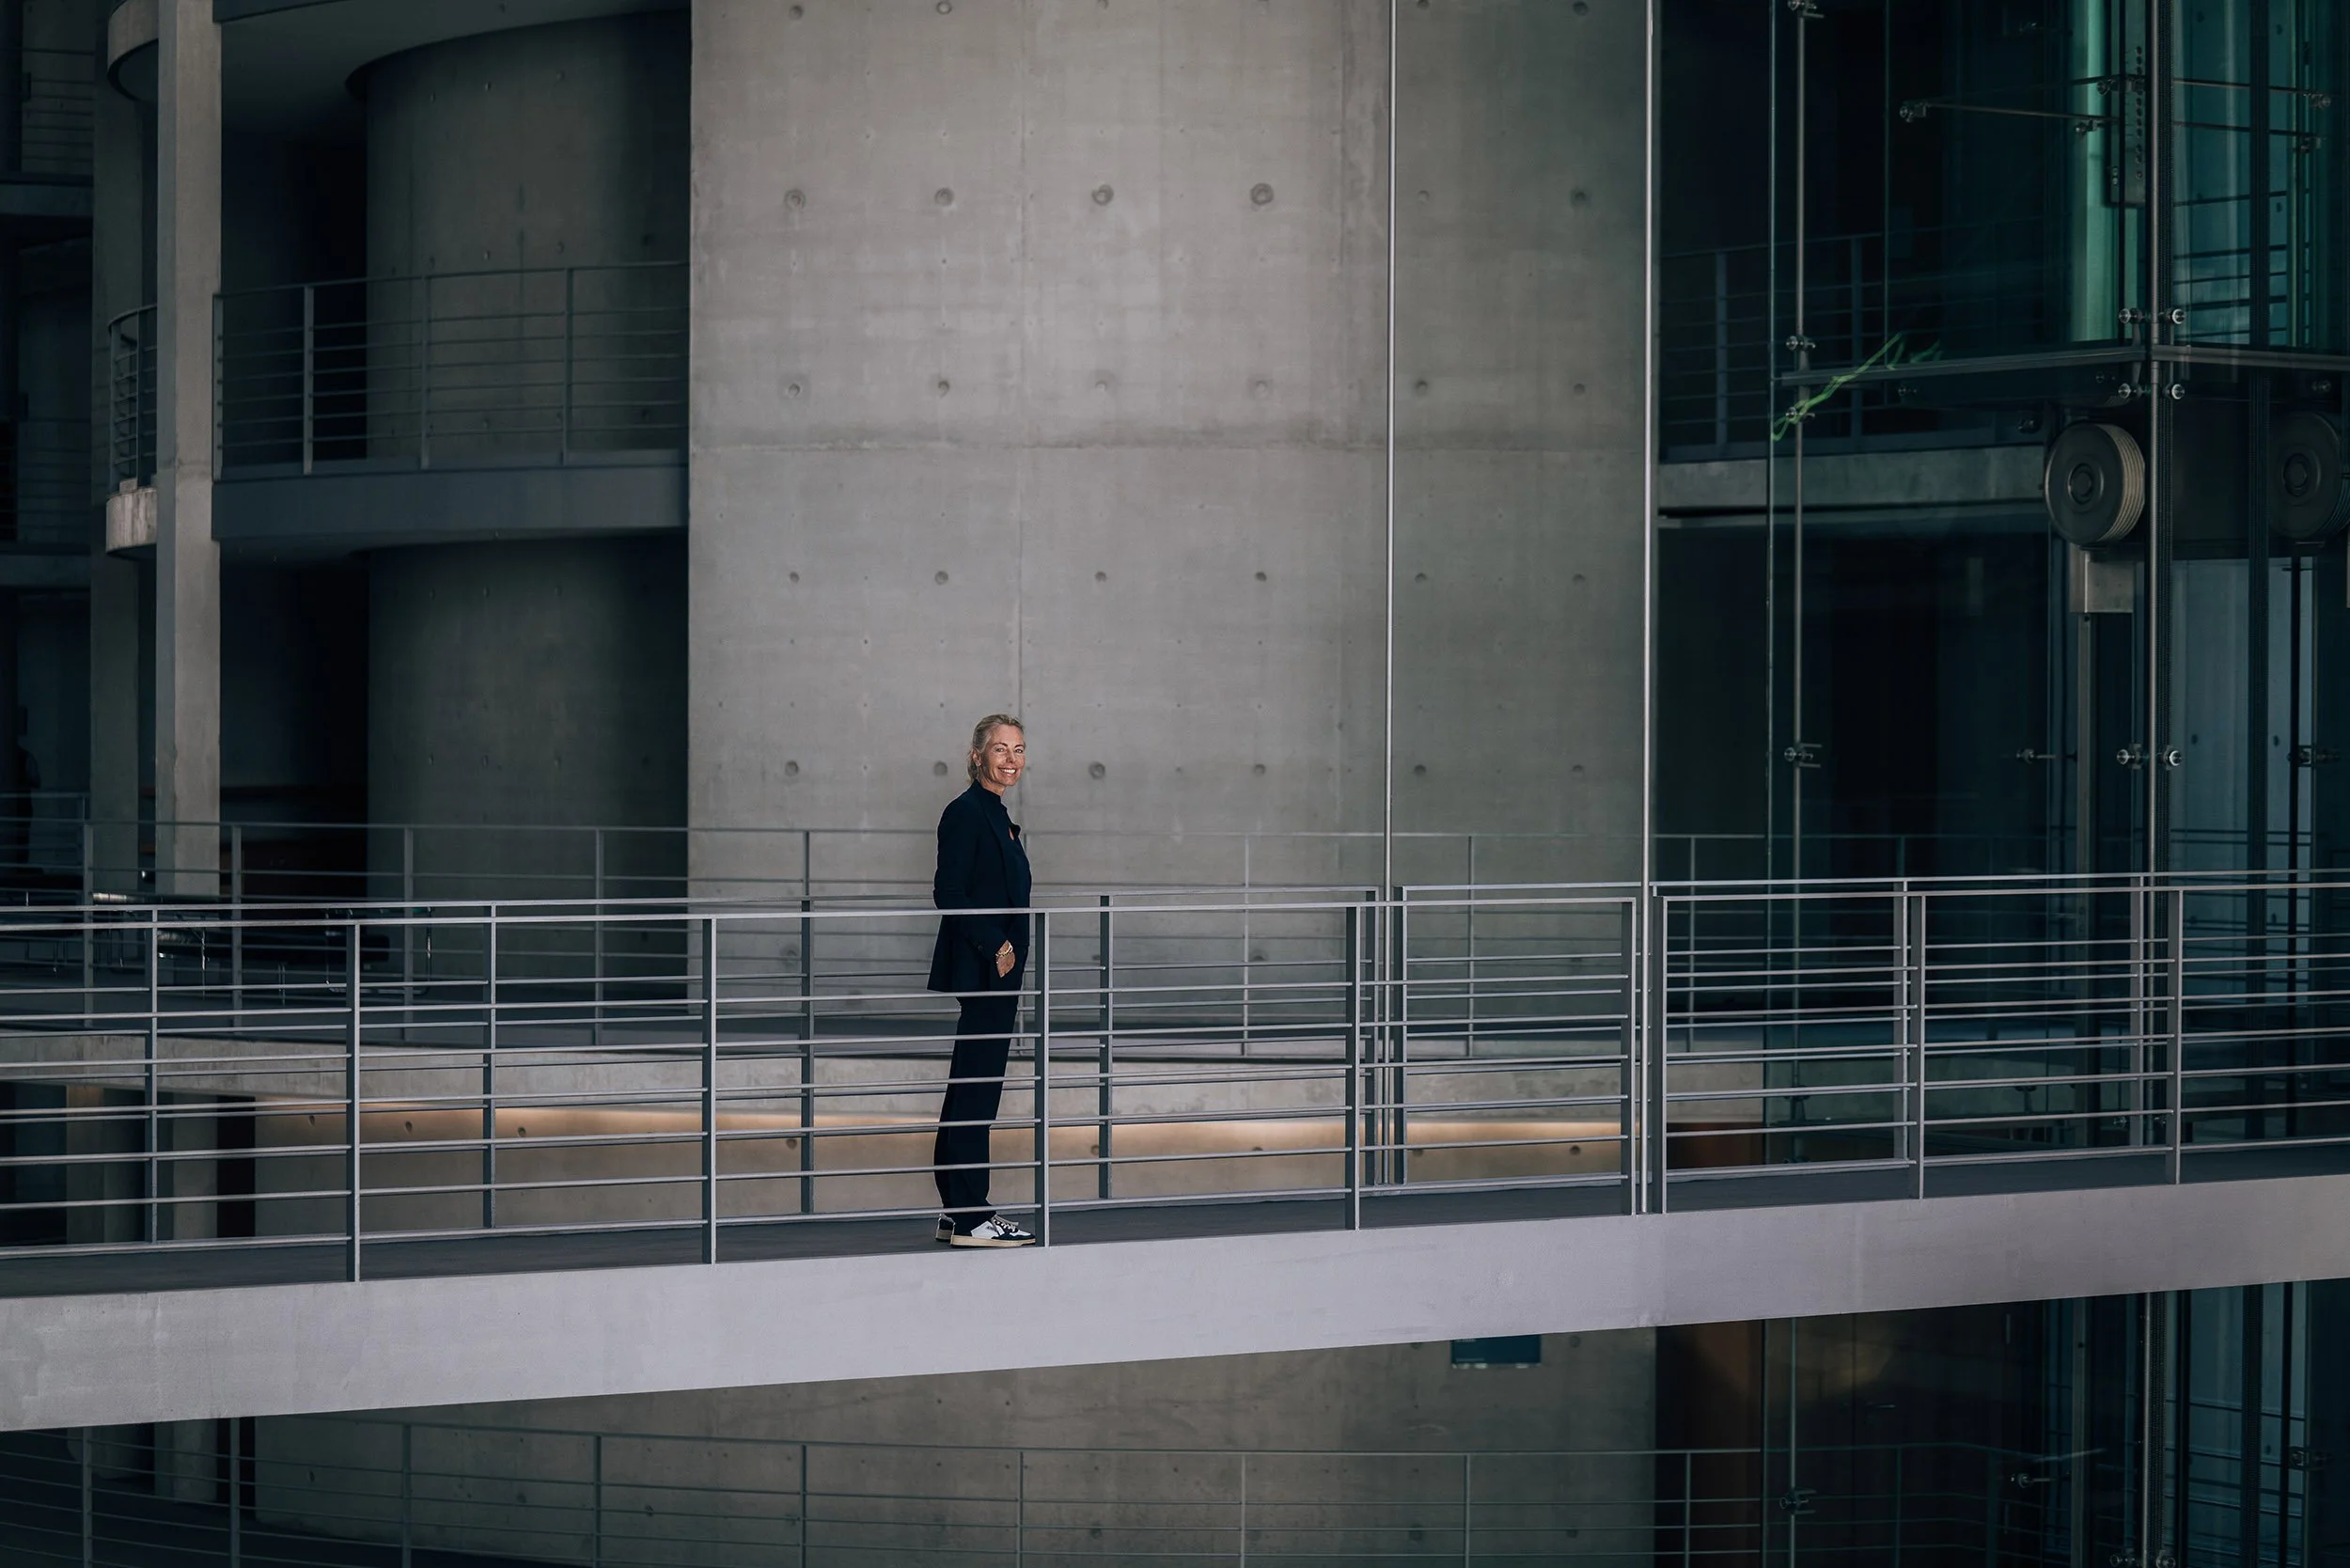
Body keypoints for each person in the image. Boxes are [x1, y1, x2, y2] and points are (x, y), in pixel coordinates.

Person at [927, 713, 1038, 1247]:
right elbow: (948, 893)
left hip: (999, 971)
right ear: (977, 757)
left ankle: (958, 1210)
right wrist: (996, 943)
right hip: (985, 969)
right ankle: (973, 1216)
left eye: (1018, 750)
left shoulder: (996, 813)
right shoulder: (966, 812)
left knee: (970, 1088)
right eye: (1000, 749)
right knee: (976, 1091)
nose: (1011, 760)